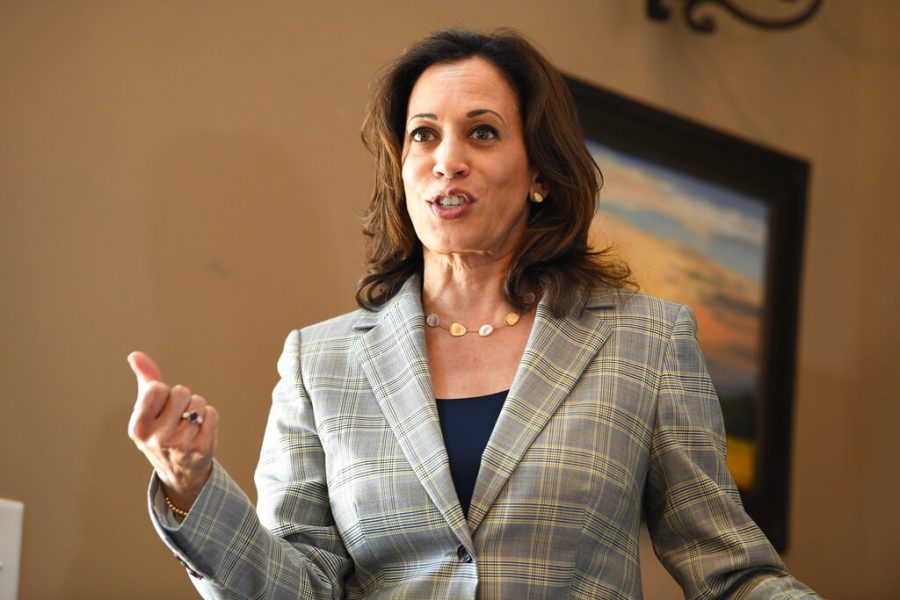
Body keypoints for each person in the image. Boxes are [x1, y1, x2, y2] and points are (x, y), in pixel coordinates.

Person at [128, 28, 820, 599]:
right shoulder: (322, 362)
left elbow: (732, 576)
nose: (446, 160)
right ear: (401, 167)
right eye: (424, 135)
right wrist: (190, 488)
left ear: (541, 174)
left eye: (482, 133)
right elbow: (296, 586)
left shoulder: (646, 341)